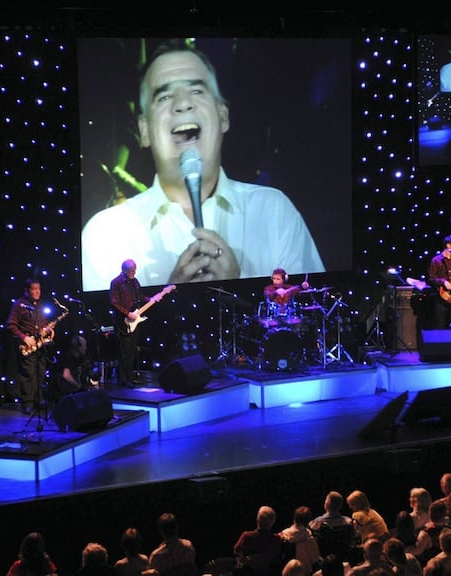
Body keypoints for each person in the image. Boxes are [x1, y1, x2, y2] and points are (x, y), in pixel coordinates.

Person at [80, 39, 324, 290]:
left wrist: (239, 289)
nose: (182, 104)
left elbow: (310, 305)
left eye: (197, 91)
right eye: (164, 96)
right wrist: (171, 298)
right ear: (144, 130)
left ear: (223, 116)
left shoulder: (274, 213)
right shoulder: (104, 236)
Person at [6, 277, 56, 414]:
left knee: (40, 372)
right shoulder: (19, 305)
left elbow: (42, 324)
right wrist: (24, 337)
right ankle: (27, 403)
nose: (38, 292)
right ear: (27, 290)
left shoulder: (40, 305)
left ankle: (39, 400)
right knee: (29, 375)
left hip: (40, 345)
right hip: (28, 345)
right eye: (34, 289)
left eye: (39, 289)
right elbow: (10, 324)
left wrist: (49, 330)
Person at [110, 259, 156, 387]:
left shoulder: (135, 282)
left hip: (134, 320)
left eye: (135, 270)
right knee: (124, 351)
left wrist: (151, 299)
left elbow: (140, 297)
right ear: (124, 270)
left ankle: (129, 377)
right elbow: (114, 302)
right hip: (123, 322)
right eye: (131, 270)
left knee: (131, 351)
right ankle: (123, 379)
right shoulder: (116, 283)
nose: (134, 273)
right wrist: (127, 313)